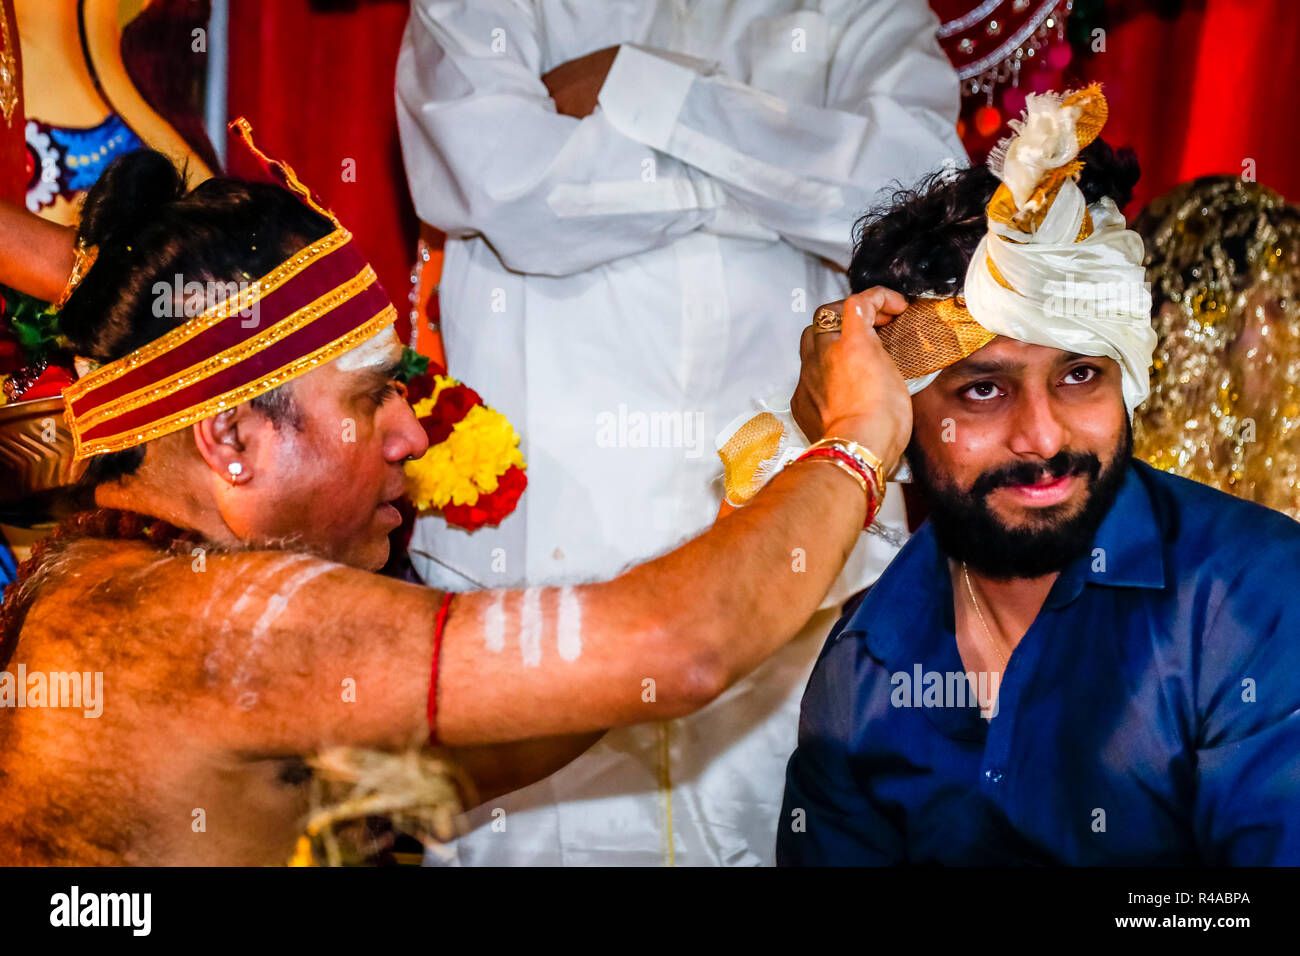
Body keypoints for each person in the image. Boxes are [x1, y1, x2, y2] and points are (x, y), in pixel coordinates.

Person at [0, 134, 912, 865]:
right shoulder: (206, 621)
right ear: (230, 439)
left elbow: (468, 757)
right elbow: (677, 651)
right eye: (369, 399)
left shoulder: (121, 591)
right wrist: (859, 438)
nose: (410, 435)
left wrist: (765, 491)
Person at [396, 0, 962, 866]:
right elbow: (506, 186)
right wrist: (780, 172)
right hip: (540, 581)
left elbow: (915, 187)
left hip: (790, 582)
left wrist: (644, 87)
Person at [777, 87, 1300, 865]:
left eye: (1081, 374)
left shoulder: (1254, 596)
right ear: (899, 412)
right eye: (983, 390)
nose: (1042, 435)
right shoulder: (863, 662)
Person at [1132, 175, 1300, 519]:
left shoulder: (1279, 487)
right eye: (1281, 305)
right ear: (1188, 325)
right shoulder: (1120, 509)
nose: (1295, 335)